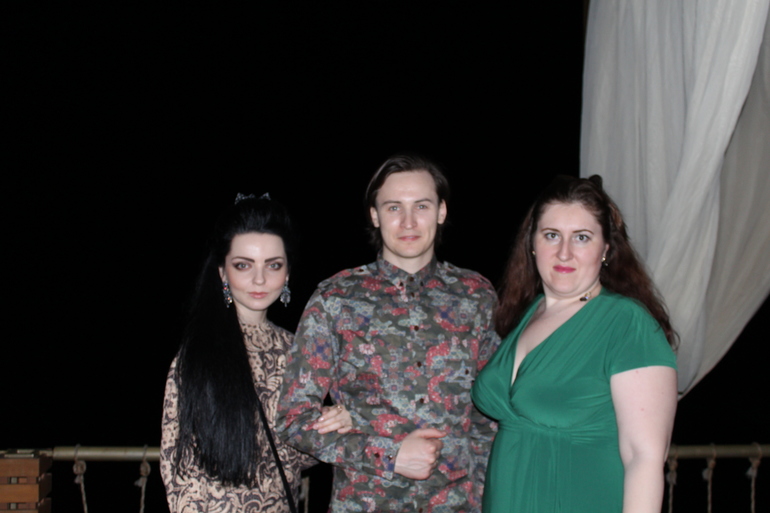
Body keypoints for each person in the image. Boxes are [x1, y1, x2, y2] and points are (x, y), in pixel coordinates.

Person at [275, 154, 500, 513]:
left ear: (441, 211)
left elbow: (488, 418)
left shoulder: (476, 296)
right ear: (375, 215)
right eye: (394, 207)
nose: (408, 221)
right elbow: (293, 419)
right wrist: (390, 455)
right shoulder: (336, 299)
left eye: (421, 206)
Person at [472, 175, 678, 512]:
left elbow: (644, 458)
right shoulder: (527, 314)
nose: (564, 252)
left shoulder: (626, 323)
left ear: (606, 249)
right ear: (532, 243)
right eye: (552, 235)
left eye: (582, 237)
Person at [160, 193, 352, 513]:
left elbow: (295, 457)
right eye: (243, 265)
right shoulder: (198, 353)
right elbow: (179, 470)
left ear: (287, 273)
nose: (259, 279)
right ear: (223, 272)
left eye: (273, 265)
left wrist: (334, 423)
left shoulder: (296, 349)